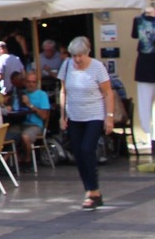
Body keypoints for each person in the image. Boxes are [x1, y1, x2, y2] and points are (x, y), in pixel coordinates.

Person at [59, 36, 115, 211]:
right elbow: (63, 91)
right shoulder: (67, 65)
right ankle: (91, 191)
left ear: (87, 53)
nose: (77, 59)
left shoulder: (97, 67)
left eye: (80, 56)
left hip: (94, 115)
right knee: (78, 153)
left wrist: (109, 117)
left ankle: (93, 190)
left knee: (87, 149)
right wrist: (62, 115)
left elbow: (108, 93)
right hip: (74, 116)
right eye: (74, 56)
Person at [132, 4, 155, 150]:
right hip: (146, 62)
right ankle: (146, 126)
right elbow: (135, 35)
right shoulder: (138, 20)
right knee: (145, 97)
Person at [16, 72, 50, 160]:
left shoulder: (42, 95)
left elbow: (44, 116)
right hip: (20, 123)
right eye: (28, 82)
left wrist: (29, 104)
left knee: (25, 136)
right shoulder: (21, 93)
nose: (31, 84)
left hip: (36, 125)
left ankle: (27, 159)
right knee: (6, 134)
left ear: (36, 83)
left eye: (33, 82)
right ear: (25, 82)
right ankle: (5, 161)